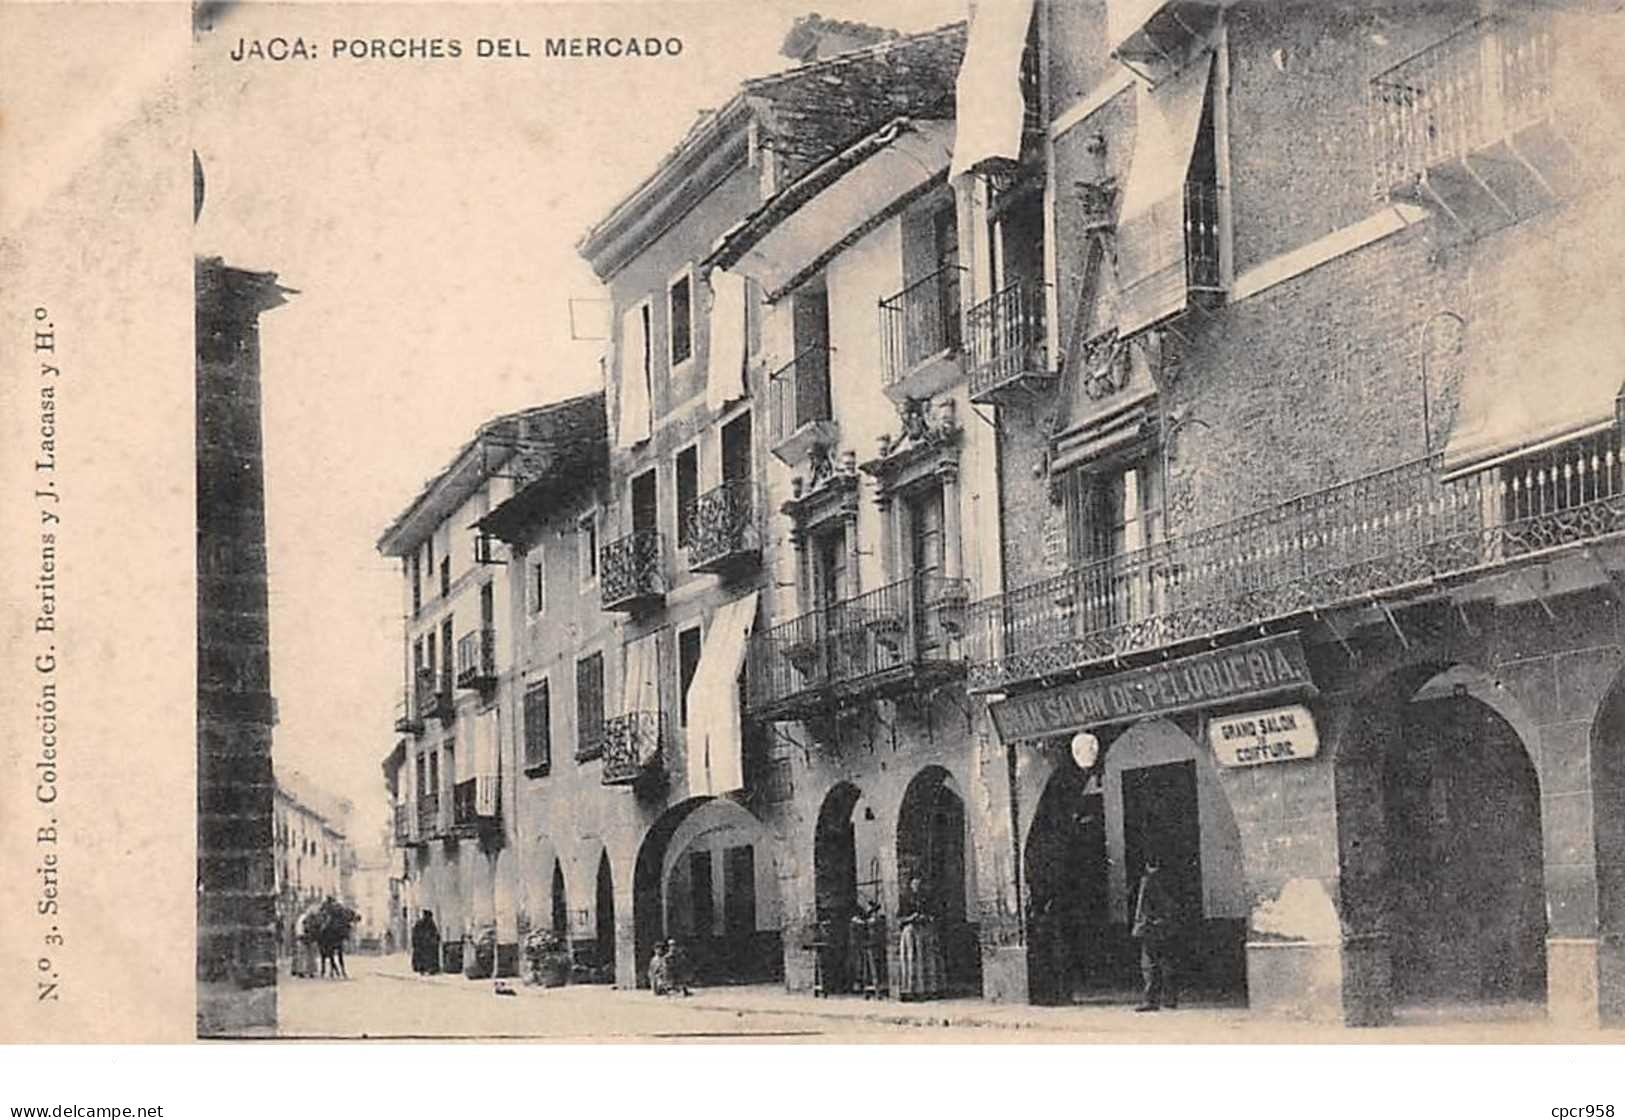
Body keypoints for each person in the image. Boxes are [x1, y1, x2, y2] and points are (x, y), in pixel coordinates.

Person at [1132, 857, 1178, 1012]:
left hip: (1151, 927)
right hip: (1165, 926)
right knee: (1166, 962)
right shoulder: (1169, 879)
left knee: (1149, 964)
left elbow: (1143, 907)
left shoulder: (1148, 881)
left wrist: (1141, 926)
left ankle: (1151, 1000)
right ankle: (1170, 999)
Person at [897, 877, 944, 1002]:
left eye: (919, 884)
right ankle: (911, 990)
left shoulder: (927, 899)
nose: (917, 886)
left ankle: (929, 989)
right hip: (911, 932)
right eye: (914, 884)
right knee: (912, 959)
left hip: (925, 931)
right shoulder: (905, 899)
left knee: (928, 959)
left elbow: (935, 914)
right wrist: (911, 917)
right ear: (911, 885)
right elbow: (900, 918)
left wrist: (927, 917)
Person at [411, 909, 441, 975]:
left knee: (426, 957)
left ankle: (426, 969)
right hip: (424, 944)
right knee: (425, 957)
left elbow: (435, 933)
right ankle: (424, 968)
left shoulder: (429, 923)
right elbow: (415, 934)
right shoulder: (424, 923)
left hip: (426, 944)